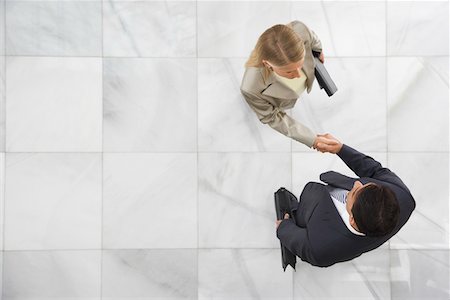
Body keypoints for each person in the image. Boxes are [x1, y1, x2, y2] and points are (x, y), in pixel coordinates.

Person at [275, 134, 416, 267]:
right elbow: (375, 171)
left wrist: (284, 226)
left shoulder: (322, 248)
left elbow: (302, 243)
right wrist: (341, 149)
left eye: (353, 193)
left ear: (352, 220)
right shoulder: (403, 196)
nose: (356, 183)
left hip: (309, 216)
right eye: (365, 185)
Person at [240, 20, 332, 150]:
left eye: (299, 66)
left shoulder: (301, 29)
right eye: (289, 71)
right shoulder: (251, 87)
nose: (298, 75)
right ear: (267, 64)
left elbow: (313, 39)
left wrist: (318, 50)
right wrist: (312, 139)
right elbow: (272, 117)